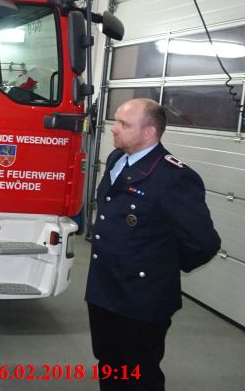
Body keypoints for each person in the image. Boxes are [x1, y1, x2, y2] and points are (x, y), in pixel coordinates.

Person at [85, 98, 220, 390]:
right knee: (109, 366)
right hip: (105, 289)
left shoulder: (173, 177)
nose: (114, 129)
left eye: (124, 124)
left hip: (142, 299)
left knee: (139, 375)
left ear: (149, 133)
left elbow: (204, 243)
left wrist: (161, 265)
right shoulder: (116, 160)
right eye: (116, 121)